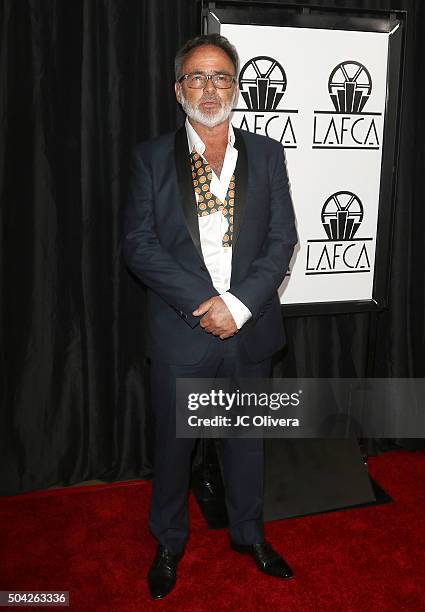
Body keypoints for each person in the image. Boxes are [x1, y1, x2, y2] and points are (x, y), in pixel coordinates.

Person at [124, 33, 297, 600]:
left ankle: (249, 534)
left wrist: (240, 306)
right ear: (179, 90)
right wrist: (208, 306)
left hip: (249, 330)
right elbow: (140, 244)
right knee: (175, 449)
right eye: (196, 77)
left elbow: (282, 240)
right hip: (184, 331)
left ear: (237, 87)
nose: (209, 87)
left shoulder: (267, 155)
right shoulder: (151, 157)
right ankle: (169, 540)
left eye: (221, 76)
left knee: (248, 443)